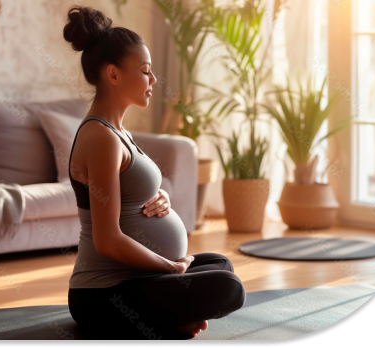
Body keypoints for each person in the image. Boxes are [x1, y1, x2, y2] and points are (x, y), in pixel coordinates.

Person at [64, 5, 246, 340]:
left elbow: (131, 195)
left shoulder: (120, 133)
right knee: (228, 287)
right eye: (145, 70)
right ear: (114, 74)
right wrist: (172, 267)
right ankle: (170, 318)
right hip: (105, 294)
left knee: (220, 264)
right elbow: (107, 241)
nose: (154, 80)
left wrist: (158, 198)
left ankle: (172, 316)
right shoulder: (100, 137)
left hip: (141, 279)